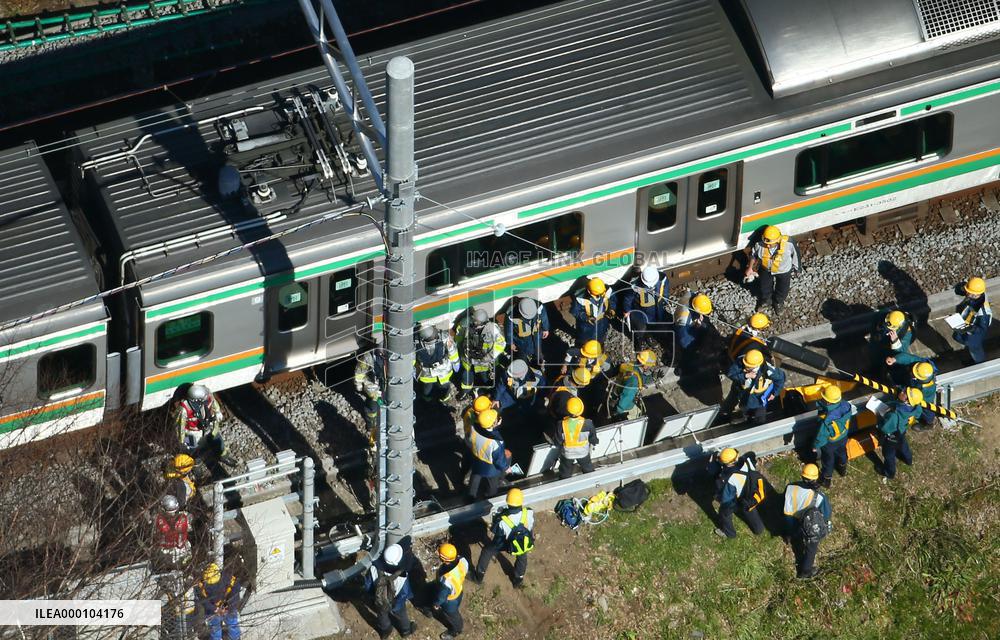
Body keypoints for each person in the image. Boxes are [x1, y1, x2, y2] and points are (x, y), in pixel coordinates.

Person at [471, 488, 534, 588]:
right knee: (522, 556)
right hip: (522, 542)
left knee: (487, 551)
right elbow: (530, 527)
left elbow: (496, 533)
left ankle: (478, 577)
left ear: (508, 502)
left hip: (506, 543)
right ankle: (518, 580)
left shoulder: (503, 520)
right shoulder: (529, 513)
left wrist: (499, 517)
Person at [783, 464, 831, 580]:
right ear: (815, 478)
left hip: (790, 521)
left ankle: (789, 537)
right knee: (811, 547)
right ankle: (805, 572)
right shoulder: (819, 497)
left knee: (793, 534)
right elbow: (826, 514)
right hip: (807, 524)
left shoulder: (790, 487)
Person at [744, 225, 800, 316]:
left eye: (770, 243)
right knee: (764, 286)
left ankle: (778, 302)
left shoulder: (789, 243)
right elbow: (753, 255)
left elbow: (796, 254)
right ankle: (766, 300)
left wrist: (798, 268)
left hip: (783, 270)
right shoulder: (760, 244)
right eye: (766, 242)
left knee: (783, 288)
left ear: (778, 240)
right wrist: (750, 268)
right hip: (766, 269)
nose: (768, 245)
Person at [365, 544, 417, 639]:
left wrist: (373, 596)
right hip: (396, 602)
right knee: (402, 616)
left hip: (380, 599)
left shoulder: (374, 568)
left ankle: (385, 632)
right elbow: (404, 593)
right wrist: (396, 606)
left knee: (382, 615)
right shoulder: (402, 576)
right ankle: (406, 631)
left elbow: (368, 585)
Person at [712, 448, 765, 538]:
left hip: (739, 498)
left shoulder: (730, 477)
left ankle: (729, 533)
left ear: (727, 463)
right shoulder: (746, 460)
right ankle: (758, 529)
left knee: (725, 513)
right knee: (750, 511)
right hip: (750, 495)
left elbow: (726, 496)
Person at [724, 349, 786, 425]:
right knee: (744, 408)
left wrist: (774, 393)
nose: (746, 367)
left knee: (760, 414)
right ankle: (745, 417)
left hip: (760, 397)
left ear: (757, 365)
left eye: (749, 367)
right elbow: (731, 374)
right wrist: (745, 376)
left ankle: (759, 424)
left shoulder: (767, 370)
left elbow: (780, 378)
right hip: (743, 395)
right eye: (746, 365)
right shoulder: (740, 363)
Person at [455, 308, 506, 400]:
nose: (474, 322)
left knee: (485, 378)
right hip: (469, 360)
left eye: (476, 321)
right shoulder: (465, 325)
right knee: (466, 378)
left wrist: (489, 356)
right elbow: (458, 340)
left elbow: (501, 343)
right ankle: (466, 392)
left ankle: (486, 393)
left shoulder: (492, 328)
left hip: (483, 362)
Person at [175, 384, 231, 463]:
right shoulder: (184, 409)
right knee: (192, 450)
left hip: (209, 424)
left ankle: (223, 455)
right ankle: (196, 464)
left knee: (217, 439)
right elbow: (179, 426)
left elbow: (213, 402)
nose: (207, 397)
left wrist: (217, 411)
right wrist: (182, 440)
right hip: (191, 432)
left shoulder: (207, 395)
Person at [877, 387, 922, 482]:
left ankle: (889, 473)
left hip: (891, 437)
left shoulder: (894, 415)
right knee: (903, 446)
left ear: (907, 400)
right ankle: (908, 460)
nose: (902, 391)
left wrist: (879, 419)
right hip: (901, 432)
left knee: (889, 456)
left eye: (905, 392)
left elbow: (885, 428)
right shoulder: (915, 407)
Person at [621, 265, 670, 348]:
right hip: (641, 310)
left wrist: (665, 300)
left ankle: (654, 335)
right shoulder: (635, 285)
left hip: (657, 307)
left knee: (656, 322)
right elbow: (628, 298)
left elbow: (665, 290)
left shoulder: (662, 278)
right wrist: (626, 310)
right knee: (641, 328)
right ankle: (642, 339)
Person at [812, 386, 851, 487]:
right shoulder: (846, 405)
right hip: (843, 436)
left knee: (828, 460)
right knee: (842, 452)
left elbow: (821, 436)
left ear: (828, 402)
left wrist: (815, 446)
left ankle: (826, 479)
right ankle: (842, 469)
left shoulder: (826, 419)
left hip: (830, 443)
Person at [466, 409, 510, 499]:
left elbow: (469, 440)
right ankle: (489, 497)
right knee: (492, 485)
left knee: (475, 477)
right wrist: (506, 468)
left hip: (476, 459)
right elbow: (499, 461)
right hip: (490, 468)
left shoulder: (473, 427)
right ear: (493, 423)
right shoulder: (497, 442)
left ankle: (470, 497)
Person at [414, 325, 459, 404]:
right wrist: (413, 370)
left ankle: (445, 398)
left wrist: (456, 361)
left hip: (443, 369)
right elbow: (412, 358)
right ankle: (427, 401)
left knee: (444, 386)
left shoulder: (443, 336)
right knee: (427, 389)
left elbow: (452, 350)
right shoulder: (415, 343)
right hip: (427, 372)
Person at [555, 397, 598, 479]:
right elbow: (593, 438)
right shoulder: (588, 423)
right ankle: (592, 480)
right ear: (581, 410)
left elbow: (558, 441)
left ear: (567, 410)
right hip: (583, 452)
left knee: (565, 471)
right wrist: (595, 441)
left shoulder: (561, 424)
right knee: (587, 467)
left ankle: (564, 483)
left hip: (567, 453)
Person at [432, 543, 469, 640]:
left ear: (445, 559)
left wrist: (436, 604)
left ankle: (456, 630)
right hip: (458, 591)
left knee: (452, 615)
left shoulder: (446, 580)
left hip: (450, 601)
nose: (437, 553)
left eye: (439, 554)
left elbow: (441, 596)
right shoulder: (462, 560)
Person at [952, 276, 992, 364]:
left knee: (975, 348)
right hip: (971, 325)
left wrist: (970, 328)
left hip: (975, 334)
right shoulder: (979, 293)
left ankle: (979, 362)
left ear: (975, 294)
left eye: (968, 292)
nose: (966, 293)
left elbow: (981, 329)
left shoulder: (983, 314)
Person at [198, 563, 243, 640]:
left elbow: (235, 592)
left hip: (227, 606)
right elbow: (203, 600)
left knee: (232, 624)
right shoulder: (201, 585)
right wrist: (215, 609)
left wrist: (227, 606)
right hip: (213, 610)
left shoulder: (227, 578)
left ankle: (235, 638)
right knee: (216, 628)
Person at [607, 350, 656, 420]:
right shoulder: (634, 380)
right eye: (649, 366)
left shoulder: (632, 365)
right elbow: (627, 396)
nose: (650, 367)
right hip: (623, 404)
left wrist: (652, 378)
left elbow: (641, 378)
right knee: (636, 415)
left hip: (617, 394)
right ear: (645, 365)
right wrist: (619, 410)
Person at [674, 291, 714, 373]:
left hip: (681, 319)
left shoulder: (691, 295)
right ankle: (684, 367)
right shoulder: (685, 322)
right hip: (685, 334)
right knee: (689, 353)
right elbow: (685, 342)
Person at [871, 310, 914, 383]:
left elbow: (901, 351)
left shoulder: (907, 333)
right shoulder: (892, 317)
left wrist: (895, 341)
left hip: (890, 348)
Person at [504, 297, 549, 366]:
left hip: (536, 331)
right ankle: (526, 361)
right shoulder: (511, 313)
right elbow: (508, 330)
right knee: (524, 349)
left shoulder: (539, 306)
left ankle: (539, 358)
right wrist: (510, 342)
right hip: (522, 338)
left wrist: (546, 328)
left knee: (538, 346)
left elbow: (544, 317)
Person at [354, 345, 386, 440]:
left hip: (386, 386)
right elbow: (359, 373)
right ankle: (371, 425)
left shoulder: (391, 356)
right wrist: (359, 385)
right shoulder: (368, 358)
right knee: (372, 408)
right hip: (373, 388)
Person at [570, 277, 613, 345]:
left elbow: (612, 300)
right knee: (584, 342)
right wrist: (586, 318)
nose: (599, 296)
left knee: (600, 338)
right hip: (587, 326)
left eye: (601, 294)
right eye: (597, 295)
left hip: (602, 322)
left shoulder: (606, 291)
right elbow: (574, 311)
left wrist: (611, 309)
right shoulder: (580, 299)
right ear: (589, 291)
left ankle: (599, 347)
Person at [154, 494, 191, 569]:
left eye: (174, 512)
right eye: (170, 514)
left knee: (184, 567)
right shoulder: (159, 520)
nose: (172, 516)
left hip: (182, 550)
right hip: (165, 552)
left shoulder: (184, 518)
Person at [460, 395, 494, 475]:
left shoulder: (469, 412)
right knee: (474, 461)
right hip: (476, 446)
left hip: (468, 440)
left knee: (466, 458)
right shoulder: (482, 423)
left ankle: (462, 474)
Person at [903, 360, 938, 429]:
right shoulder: (926, 367)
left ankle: (928, 424)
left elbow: (916, 397)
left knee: (927, 410)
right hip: (916, 387)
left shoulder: (924, 388)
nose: (912, 373)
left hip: (925, 399)